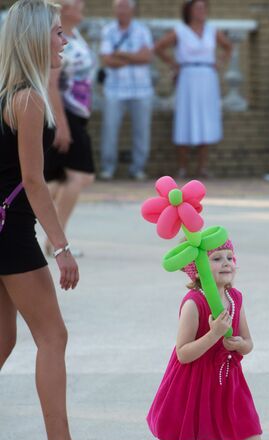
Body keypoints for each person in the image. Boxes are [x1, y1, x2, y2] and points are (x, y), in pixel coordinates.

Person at [0, 0, 115, 440]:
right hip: (12, 233)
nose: (64, 40)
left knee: (3, 339)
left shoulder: (12, 93)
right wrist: (61, 246)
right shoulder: (27, 98)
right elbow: (33, 179)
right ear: (33, 38)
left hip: (5, 229)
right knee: (53, 335)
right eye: (56, 32)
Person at [110, 240, 269, 440]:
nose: (226, 263)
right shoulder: (193, 303)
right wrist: (214, 334)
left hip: (227, 381)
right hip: (190, 385)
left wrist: (239, 344)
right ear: (198, 269)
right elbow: (184, 353)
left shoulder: (235, 297)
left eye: (230, 257)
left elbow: (248, 343)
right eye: (217, 258)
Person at [155, 0, 232, 179]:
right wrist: (173, 64)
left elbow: (228, 46)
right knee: (185, 119)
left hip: (207, 77)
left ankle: (202, 168)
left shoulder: (212, 30)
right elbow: (158, 47)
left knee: (205, 120)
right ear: (189, 11)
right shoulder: (180, 30)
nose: (201, 11)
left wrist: (219, 62)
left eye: (203, 8)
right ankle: (182, 168)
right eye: (197, 8)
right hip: (188, 76)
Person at [44, 0, 95, 256]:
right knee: (80, 175)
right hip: (66, 116)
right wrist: (62, 125)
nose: (82, 5)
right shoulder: (59, 38)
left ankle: (51, 236)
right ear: (63, 8)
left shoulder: (76, 35)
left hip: (77, 116)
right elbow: (51, 84)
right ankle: (57, 241)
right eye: (75, 2)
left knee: (58, 179)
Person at [99, 0, 153, 181]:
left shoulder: (142, 30)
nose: (121, 10)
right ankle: (108, 168)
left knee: (142, 130)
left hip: (141, 90)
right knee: (110, 129)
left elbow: (147, 57)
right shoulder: (108, 30)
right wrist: (135, 57)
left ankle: (138, 169)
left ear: (132, 9)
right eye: (118, 7)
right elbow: (106, 60)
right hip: (114, 89)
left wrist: (122, 55)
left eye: (124, 6)